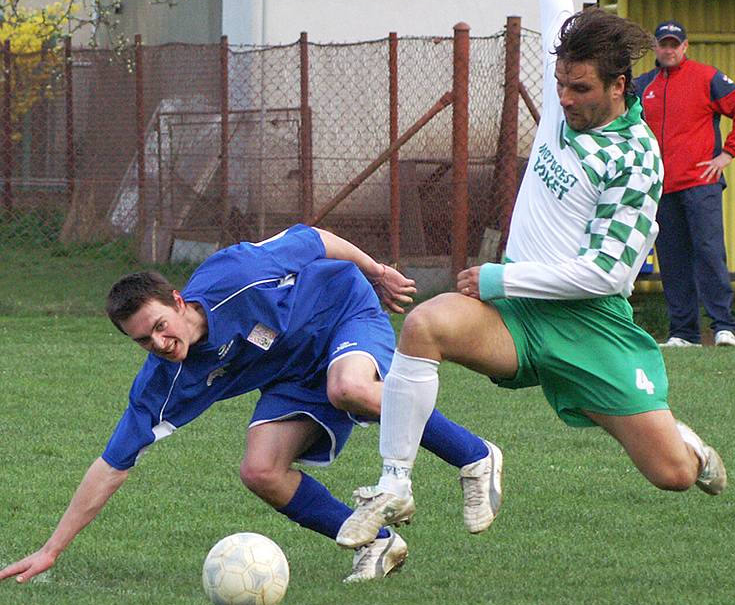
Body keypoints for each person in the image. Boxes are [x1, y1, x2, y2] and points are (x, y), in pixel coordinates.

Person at [335, 0, 727, 551]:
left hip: (590, 327)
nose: (564, 100)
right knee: (424, 327)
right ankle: (396, 483)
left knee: (671, 475)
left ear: (620, 86)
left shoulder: (636, 160)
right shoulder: (564, 87)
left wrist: (500, 279)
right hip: (518, 315)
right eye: (561, 85)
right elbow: (555, 6)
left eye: (581, 91)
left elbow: (606, 273)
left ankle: (686, 443)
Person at [0, 225, 502, 585]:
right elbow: (112, 464)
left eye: (159, 325)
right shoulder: (165, 380)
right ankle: (378, 545)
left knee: (347, 387)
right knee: (260, 470)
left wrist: (374, 271)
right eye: (143, 341)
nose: (158, 342)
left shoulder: (236, 274)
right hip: (291, 373)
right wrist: (51, 549)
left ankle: (476, 456)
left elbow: (313, 238)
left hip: (341, 312)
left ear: (177, 300)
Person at [633, 21, 735, 348]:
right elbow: (624, 126)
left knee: (708, 252)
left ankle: (723, 327)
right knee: (672, 259)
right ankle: (683, 333)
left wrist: (728, 154)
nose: (669, 49)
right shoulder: (642, 85)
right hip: (661, 188)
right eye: (664, 44)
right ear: (656, 48)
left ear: (685, 47)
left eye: (675, 44)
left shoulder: (707, 78)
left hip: (701, 183)